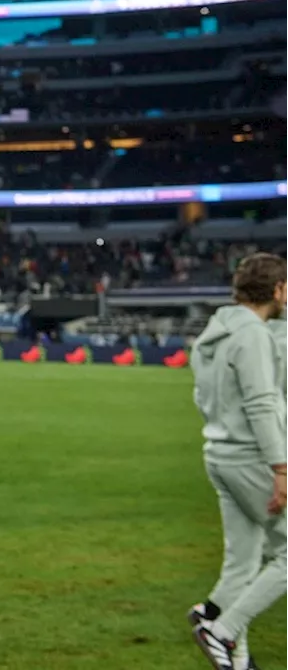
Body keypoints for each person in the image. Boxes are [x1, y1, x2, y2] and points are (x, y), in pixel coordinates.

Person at [188, 252, 288, 670]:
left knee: (243, 561)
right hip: (251, 458)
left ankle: (238, 658)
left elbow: (200, 397)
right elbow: (262, 403)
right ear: (278, 290)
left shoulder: (214, 332)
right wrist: (281, 467)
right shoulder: (253, 335)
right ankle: (221, 630)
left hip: (219, 454)